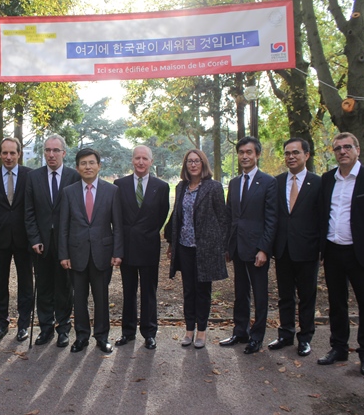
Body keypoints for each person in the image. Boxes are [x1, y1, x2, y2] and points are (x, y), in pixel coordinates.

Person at [317, 132, 364, 376]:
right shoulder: (328, 179)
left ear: (357, 150)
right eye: (337, 148)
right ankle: (338, 347)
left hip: (363, 254)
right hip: (334, 251)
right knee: (336, 303)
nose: (342, 151)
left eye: (347, 147)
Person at [59, 148, 123, 354]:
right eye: (83, 163)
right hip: (76, 254)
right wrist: (64, 254)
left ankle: (102, 337)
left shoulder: (111, 191)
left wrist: (117, 252)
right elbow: (64, 227)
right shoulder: (69, 192)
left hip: (102, 254)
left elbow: (118, 225)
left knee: (101, 298)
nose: (88, 167)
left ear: (99, 166)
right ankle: (81, 336)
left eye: (92, 163)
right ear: (77, 168)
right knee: (79, 298)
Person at [165, 149, 228, 349]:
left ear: (203, 163)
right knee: (188, 290)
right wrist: (171, 244)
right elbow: (177, 216)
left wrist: (221, 247)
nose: (193, 164)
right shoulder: (181, 187)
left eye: (197, 161)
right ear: (185, 165)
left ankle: (201, 331)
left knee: (203, 291)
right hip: (184, 247)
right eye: (189, 161)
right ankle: (189, 329)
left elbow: (222, 219)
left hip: (206, 249)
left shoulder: (214, 187)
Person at [220, 136, 277, 354]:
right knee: (240, 292)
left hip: (257, 250)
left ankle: (257, 336)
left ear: (257, 154)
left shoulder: (269, 182)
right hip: (237, 247)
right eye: (241, 152)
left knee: (260, 295)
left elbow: (272, 219)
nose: (245, 156)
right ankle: (240, 332)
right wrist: (227, 246)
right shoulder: (234, 183)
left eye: (249, 152)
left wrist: (264, 249)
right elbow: (229, 216)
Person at [24, 135, 81, 348]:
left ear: (63, 153)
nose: (51, 154)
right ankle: (45, 329)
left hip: (65, 245)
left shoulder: (73, 177)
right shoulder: (33, 177)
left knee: (65, 289)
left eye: (56, 150)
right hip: (41, 245)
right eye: (47, 150)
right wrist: (34, 239)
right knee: (45, 288)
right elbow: (28, 212)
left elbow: (77, 213)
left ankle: (63, 329)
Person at [269, 138, 321, 357]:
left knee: (307, 296)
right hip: (283, 249)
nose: (291, 157)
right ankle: (285, 333)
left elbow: (322, 217)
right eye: (287, 153)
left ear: (306, 155)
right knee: (285, 295)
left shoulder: (318, 183)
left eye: (296, 153)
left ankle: (305, 337)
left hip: (307, 249)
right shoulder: (277, 182)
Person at [114, 146, 169, 350]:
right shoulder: (119, 185)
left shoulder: (161, 187)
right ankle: (127, 332)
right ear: (132, 160)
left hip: (148, 246)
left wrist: (147, 231)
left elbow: (162, 214)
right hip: (127, 247)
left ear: (151, 162)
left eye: (144, 158)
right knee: (128, 292)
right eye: (137, 158)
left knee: (149, 292)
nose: (140, 162)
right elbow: (116, 217)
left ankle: (149, 333)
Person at [0, 137, 33, 342]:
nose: (8, 157)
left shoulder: (30, 175)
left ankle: (23, 325)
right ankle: (1, 324)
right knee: (0, 284)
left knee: (26, 284)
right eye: (5, 153)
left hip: (24, 239)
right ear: (0, 154)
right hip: (0, 240)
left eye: (12, 153)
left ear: (19, 154)